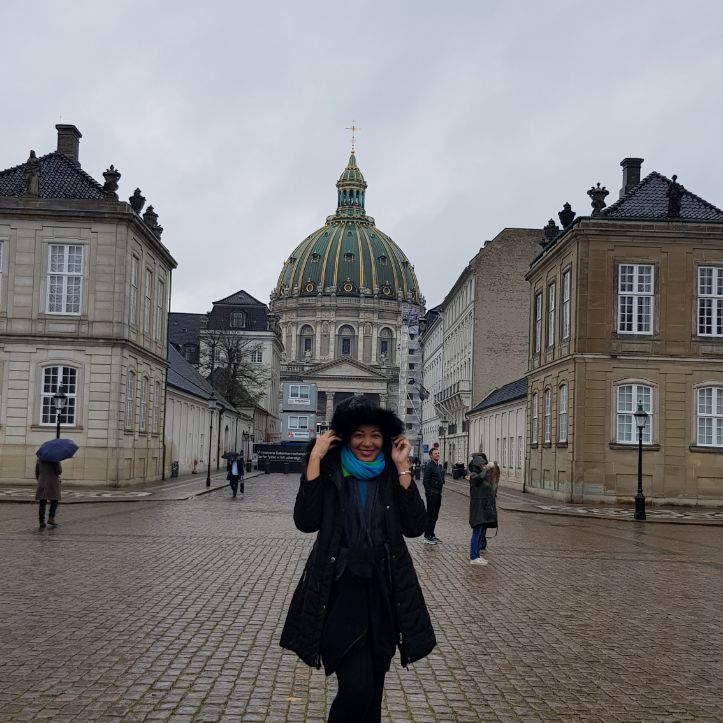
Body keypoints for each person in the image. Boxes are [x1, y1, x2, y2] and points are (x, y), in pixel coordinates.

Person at [280, 396, 436, 723]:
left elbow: (415, 527)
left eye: (375, 435)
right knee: (357, 688)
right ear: (346, 437)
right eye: (359, 434)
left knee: (373, 692)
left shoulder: (392, 473)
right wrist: (314, 461)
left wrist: (403, 466)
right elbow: (305, 521)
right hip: (339, 591)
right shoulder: (332, 471)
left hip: (383, 591)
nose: (367, 443)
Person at [467, 453, 499, 565]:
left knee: (480, 533)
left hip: (483, 508)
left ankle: (477, 555)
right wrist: (486, 468)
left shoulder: (481, 475)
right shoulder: (474, 475)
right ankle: (473, 556)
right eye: (482, 465)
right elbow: (480, 477)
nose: (483, 466)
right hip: (477, 508)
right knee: (476, 532)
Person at [422, 445, 444, 544]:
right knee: (430, 515)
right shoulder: (429, 466)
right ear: (431, 456)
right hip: (432, 494)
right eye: (435, 453)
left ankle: (431, 533)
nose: (437, 454)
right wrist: (430, 492)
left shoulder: (437, 466)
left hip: (438, 494)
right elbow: (425, 481)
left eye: (438, 453)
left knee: (435, 515)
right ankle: (427, 536)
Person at [35, 460, 62, 530]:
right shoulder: (55, 460)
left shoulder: (39, 460)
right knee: (54, 500)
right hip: (52, 482)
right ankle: (51, 518)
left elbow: (37, 472)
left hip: (42, 482)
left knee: (42, 502)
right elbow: (59, 471)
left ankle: (41, 522)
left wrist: (40, 479)